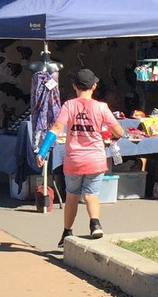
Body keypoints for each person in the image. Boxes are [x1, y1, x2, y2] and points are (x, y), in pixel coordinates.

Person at [36, 68, 124, 245]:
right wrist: (113, 136)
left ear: (74, 86)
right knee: (92, 195)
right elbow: (118, 131)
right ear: (94, 86)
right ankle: (95, 224)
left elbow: (56, 128)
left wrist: (43, 151)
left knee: (72, 196)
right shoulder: (101, 107)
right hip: (96, 160)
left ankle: (67, 232)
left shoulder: (69, 106)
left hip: (74, 161)